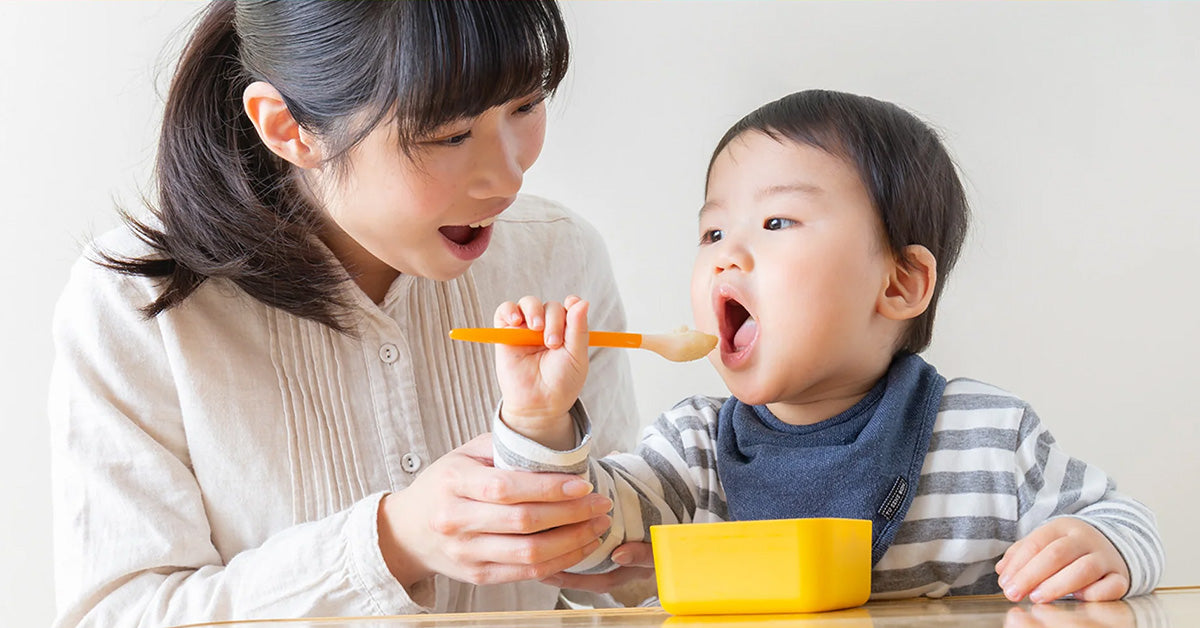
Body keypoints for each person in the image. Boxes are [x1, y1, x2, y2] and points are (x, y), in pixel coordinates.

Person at [47, 1, 653, 625]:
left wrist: (633, 539)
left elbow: (617, 585)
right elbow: (119, 614)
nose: (507, 178)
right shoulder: (137, 304)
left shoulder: (559, 253)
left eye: (525, 105)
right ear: (287, 128)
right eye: (448, 135)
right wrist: (393, 542)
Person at [489, 89, 1165, 602]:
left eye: (776, 221)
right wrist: (540, 420)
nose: (727, 258)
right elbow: (579, 546)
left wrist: (1103, 544)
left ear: (899, 283)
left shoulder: (986, 437)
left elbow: (1123, 519)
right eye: (713, 233)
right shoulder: (694, 450)